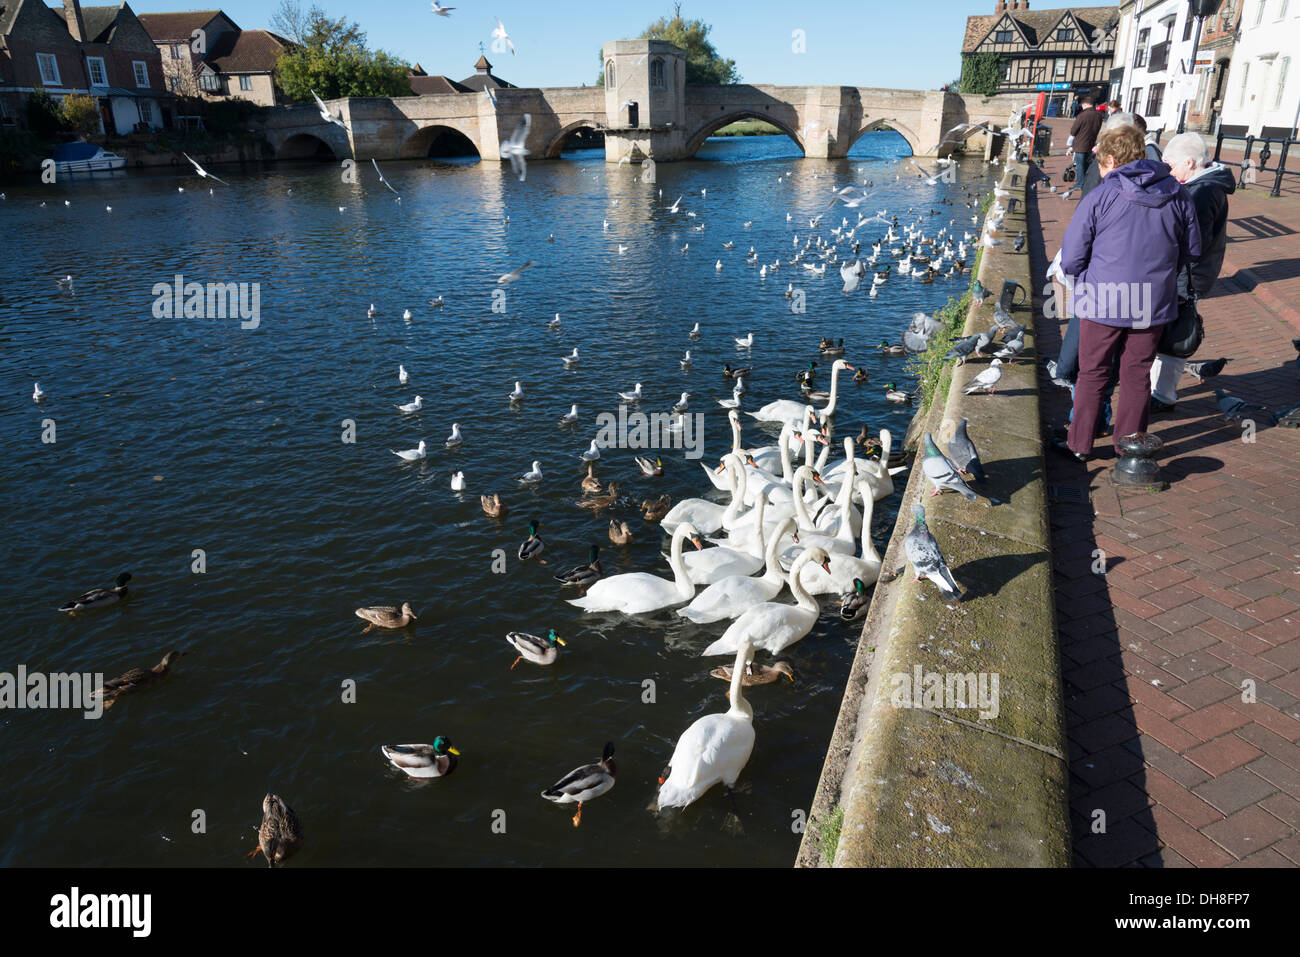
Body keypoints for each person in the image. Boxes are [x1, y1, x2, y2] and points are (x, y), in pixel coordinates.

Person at [1053, 124, 1201, 461]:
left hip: (1103, 300)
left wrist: (1087, 276)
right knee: (1137, 374)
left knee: (1093, 373)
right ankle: (1129, 447)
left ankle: (1079, 445)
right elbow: (1192, 250)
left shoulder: (1102, 195)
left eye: (1102, 164)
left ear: (1109, 158)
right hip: (1152, 303)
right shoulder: (1178, 194)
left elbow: (1073, 256)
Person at [1149, 132, 1236, 411]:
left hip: (1188, 275)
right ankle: (1159, 391)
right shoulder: (1203, 187)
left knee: (1175, 334)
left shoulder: (1202, 192)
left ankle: (1162, 396)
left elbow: (1193, 244)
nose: (1168, 171)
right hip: (1190, 273)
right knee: (1171, 331)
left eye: (1170, 165)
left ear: (1189, 162)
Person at [1066, 95, 1105, 189]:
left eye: (1082, 105)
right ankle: (1087, 184)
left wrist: (1070, 144)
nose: (1082, 107)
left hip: (1080, 144)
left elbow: (1073, 131)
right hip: (1091, 143)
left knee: (1079, 166)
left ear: (1086, 104)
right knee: (1087, 166)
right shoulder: (1098, 115)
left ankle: (1079, 184)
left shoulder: (1082, 115)